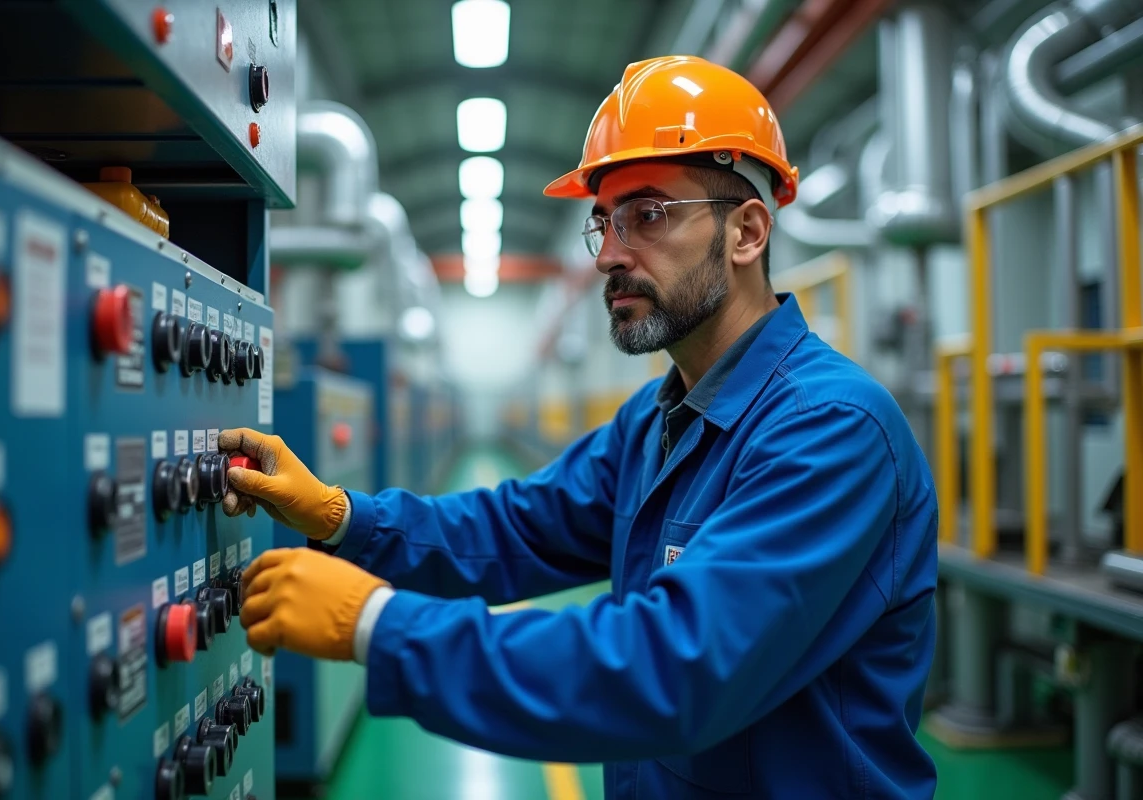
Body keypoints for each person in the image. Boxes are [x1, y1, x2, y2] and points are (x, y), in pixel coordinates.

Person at [221, 55, 939, 799]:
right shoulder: (657, 419)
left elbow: (669, 672)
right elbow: (516, 529)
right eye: (604, 220)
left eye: (649, 215)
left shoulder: (830, 430)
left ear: (747, 232)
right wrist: (343, 518)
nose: (609, 255)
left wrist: (375, 623)